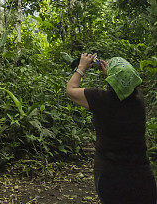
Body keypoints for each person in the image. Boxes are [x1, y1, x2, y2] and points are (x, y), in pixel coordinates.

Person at [66, 52, 157, 204]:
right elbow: (124, 88)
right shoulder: (138, 102)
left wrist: (81, 67)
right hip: (140, 174)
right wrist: (114, 73)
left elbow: (71, 89)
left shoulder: (100, 99)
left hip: (109, 173)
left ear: (111, 79)